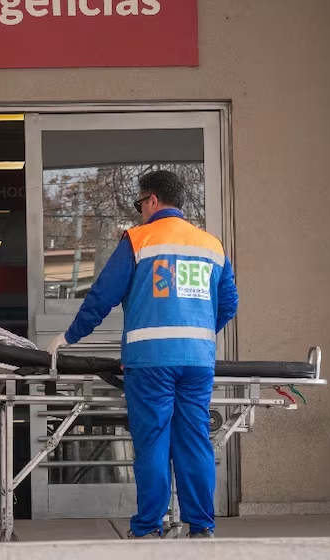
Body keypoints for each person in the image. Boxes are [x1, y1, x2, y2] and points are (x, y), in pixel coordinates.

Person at [47, 170, 238, 539]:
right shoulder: (211, 245)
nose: (139, 212)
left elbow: (103, 294)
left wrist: (71, 336)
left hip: (150, 362)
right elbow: (229, 303)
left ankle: (148, 526)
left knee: (152, 441)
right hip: (198, 361)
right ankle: (202, 527)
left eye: (140, 204)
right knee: (195, 440)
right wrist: (197, 334)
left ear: (152, 200)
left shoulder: (139, 239)